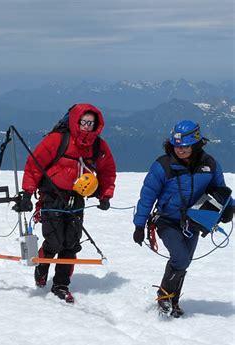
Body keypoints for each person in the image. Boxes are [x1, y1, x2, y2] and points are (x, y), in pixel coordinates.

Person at [13, 103, 116, 303]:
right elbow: (34, 166)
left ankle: (61, 285)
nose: (87, 126)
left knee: (71, 243)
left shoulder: (98, 146)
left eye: (91, 123)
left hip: (77, 197)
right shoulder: (57, 140)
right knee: (54, 240)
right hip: (52, 196)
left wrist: (105, 195)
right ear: (75, 121)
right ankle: (42, 266)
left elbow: (107, 170)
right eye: (84, 122)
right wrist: (27, 194)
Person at [132, 120, 233, 317]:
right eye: (177, 146)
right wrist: (139, 224)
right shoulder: (163, 166)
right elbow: (148, 196)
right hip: (167, 220)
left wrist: (230, 207)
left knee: (184, 262)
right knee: (180, 257)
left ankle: (172, 301)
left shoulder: (210, 165)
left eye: (185, 146)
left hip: (194, 222)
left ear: (196, 144)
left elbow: (220, 189)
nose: (180, 150)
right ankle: (164, 299)